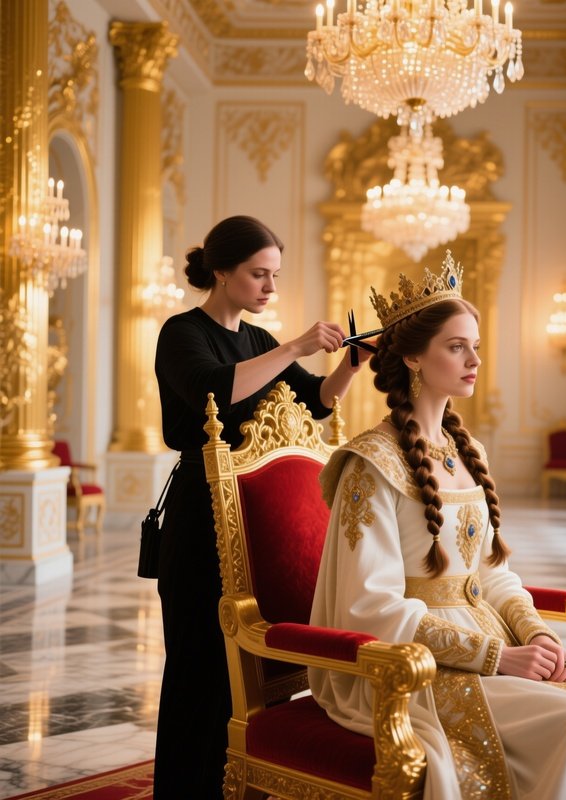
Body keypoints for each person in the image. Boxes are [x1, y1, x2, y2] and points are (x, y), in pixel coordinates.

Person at [310, 252, 566, 800]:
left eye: (475, 345)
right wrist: (498, 658)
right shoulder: (371, 464)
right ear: (414, 359)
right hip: (411, 672)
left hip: (494, 644)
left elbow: (494, 577)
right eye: (457, 346)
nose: (474, 358)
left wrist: (537, 634)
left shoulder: (465, 450)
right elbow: (368, 610)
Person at [152, 215, 367, 799]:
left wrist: (350, 365)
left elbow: (317, 403)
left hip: (253, 523)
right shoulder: (181, 332)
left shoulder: (259, 341)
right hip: (201, 517)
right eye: (259, 275)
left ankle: (243, 775)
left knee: (244, 670)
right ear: (221, 272)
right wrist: (297, 344)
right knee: (198, 664)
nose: (270, 288)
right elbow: (212, 390)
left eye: (275, 276)